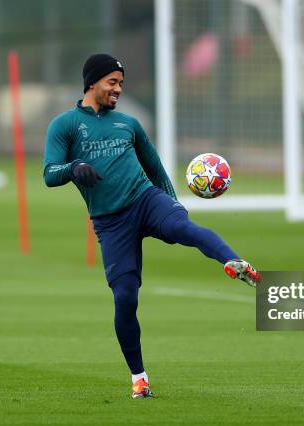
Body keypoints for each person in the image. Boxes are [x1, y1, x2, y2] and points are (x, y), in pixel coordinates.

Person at [43, 54, 261, 399]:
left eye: (121, 84)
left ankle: (235, 262)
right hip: (110, 222)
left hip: (146, 200)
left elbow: (156, 169)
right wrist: (75, 167)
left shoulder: (128, 124)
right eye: (112, 82)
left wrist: (174, 204)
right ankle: (139, 378)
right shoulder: (65, 125)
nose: (118, 89)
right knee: (125, 298)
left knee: (185, 229)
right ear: (92, 83)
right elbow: (48, 174)